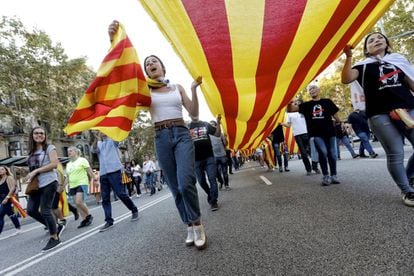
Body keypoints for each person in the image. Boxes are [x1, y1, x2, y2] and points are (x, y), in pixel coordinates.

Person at [109, 20, 207, 249]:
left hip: (182, 133)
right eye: (147, 64)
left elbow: (193, 114)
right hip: (161, 137)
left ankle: (199, 224)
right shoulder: (145, 90)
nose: (150, 64)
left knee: (186, 183)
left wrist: (193, 89)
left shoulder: (177, 87)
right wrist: (113, 40)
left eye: (154, 61)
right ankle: (189, 225)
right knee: (174, 186)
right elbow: (122, 72)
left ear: (162, 67)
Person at [341, 32, 414, 206]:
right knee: (396, 153)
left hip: (409, 109)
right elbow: (346, 79)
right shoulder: (362, 66)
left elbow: (411, 83)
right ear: (366, 49)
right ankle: (407, 191)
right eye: (371, 40)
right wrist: (349, 57)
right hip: (380, 114)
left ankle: (409, 175)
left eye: (380, 38)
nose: (376, 41)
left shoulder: (398, 60)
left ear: (387, 43)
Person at [91, 131, 139, 231]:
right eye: (101, 130)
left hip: (114, 171)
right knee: (105, 198)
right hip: (103, 173)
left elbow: (118, 137)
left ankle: (134, 210)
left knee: (121, 193)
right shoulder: (99, 143)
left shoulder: (113, 141)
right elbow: (93, 150)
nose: (102, 132)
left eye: (104, 130)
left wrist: (111, 131)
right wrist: (96, 137)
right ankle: (109, 221)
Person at [25, 126, 62, 251]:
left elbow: (54, 164)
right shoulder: (31, 152)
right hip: (36, 185)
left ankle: (54, 238)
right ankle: (54, 226)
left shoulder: (50, 148)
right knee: (30, 210)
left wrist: (36, 171)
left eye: (42, 133)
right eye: (36, 133)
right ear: (32, 135)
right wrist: (28, 174)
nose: (39, 135)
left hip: (49, 182)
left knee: (45, 210)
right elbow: (32, 169)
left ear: (45, 136)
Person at [299, 84, 342, 186]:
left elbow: (335, 115)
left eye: (313, 88)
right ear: (309, 93)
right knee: (323, 152)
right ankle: (326, 176)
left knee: (332, 154)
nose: (312, 90)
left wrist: (341, 123)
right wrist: (289, 99)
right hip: (316, 133)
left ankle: (333, 175)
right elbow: (291, 109)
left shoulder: (327, 102)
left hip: (330, 132)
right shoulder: (306, 105)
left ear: (318, 90)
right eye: (310, 89)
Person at [189, 115, 221, 211]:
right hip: (196, 160)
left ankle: (214, 201)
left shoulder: (206, 124)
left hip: (209, 158)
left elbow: (217, 134)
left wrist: (218, 123)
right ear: (189, 115)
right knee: (201, 181)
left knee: (212, 179)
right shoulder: (187, 127)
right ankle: (210, 194)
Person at [283, 100, 320, 175]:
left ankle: (315, 167)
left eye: (297, 103)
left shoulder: (304, 111)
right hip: (297, 135)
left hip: (307, 133)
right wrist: (282, 124)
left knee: (312, 151)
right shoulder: (289, 115)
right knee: (303, 153)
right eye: (294, 103)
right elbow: (289, 125)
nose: (295, 104)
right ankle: (308, 170)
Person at [66, 146, 94, 228]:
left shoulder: (82, 160)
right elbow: (67, 177)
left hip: (82, 183)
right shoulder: (68, 164)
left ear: (76, 152)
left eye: (70, 150)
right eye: (68, 151)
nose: (69, 152)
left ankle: (89, 215)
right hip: (72, 185)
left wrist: (94, 180)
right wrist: (62, 186)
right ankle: (84, 220)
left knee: (79, 201)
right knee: (77, 204)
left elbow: (89, 171)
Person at [209, 120, 231, 191]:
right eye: (210, 125)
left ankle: (226, 185)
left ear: (216, 126)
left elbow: (226, 144)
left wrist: (225, 138)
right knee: (216, 172)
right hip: (214, 156)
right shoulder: (208, 135)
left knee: (225, 172)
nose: (212, 126)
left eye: (213, 125)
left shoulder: (220, 134)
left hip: (222, 155)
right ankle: (221, 182)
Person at [0, 165, 21, 235]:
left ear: (6, 171)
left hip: (7, 199)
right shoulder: (0, 180)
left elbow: (12, 188)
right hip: (2, 200)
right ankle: (18, 228)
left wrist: (7, 198)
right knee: (11, 214)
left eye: (2, 169)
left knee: (0, 215)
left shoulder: (9, 178)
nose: (0, 170)